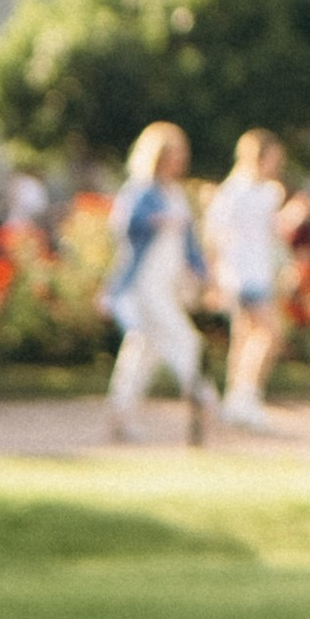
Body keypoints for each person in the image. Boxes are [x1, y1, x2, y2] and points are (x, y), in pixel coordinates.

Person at [104, 121, 210, 444]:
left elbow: (190, 242)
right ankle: (201, 394)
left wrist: (203, 272)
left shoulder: (175, 193)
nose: (180, 161)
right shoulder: (141, 191)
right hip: (144, 283)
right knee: (183, 338)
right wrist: (156, 220)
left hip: (168, 281)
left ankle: (121, 412)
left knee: (144, 349)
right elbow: (123, 227)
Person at [202, 129, 292, 433]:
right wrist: (214, 281)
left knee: (244, 337)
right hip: (240, 274)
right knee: (270, 334)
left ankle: (236, 399)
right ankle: (246, 396)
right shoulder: (234, 192)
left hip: (259, 272)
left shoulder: (267, 192)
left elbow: (272, 235)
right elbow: (214, 238)